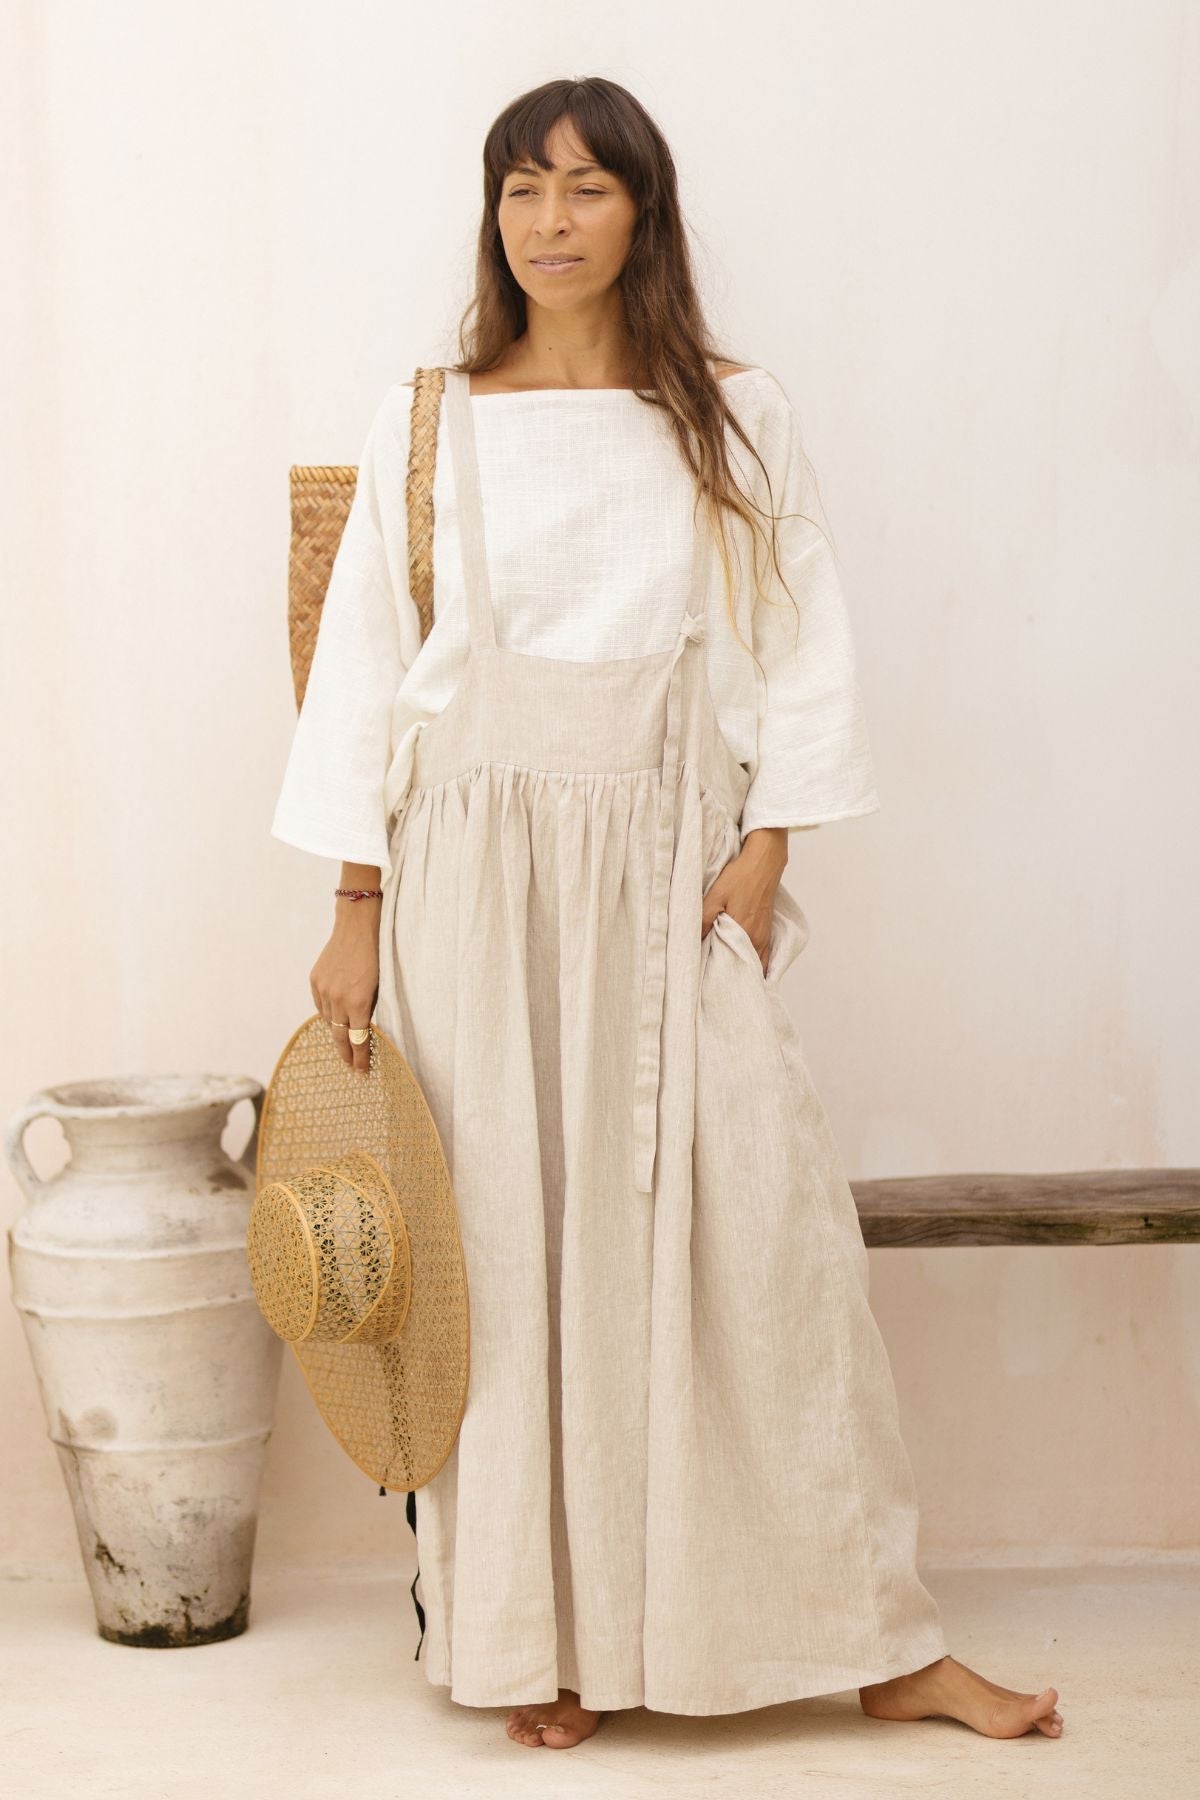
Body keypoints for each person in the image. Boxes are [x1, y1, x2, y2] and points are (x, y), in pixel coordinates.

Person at [271, 76, 1064, 1753]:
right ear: (493, 219)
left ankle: (881, 1639)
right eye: (520, 192)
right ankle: (539, 1646)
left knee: (765, 1252)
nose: (550, 223)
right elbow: (361, 682)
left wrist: (768, 849)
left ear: (646, 210)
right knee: (508, 1257)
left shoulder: (731, 413)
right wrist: (354, 906)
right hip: (468, 894)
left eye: (585, 189)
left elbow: (802, 635)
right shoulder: (434, 419)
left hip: (666, 878)